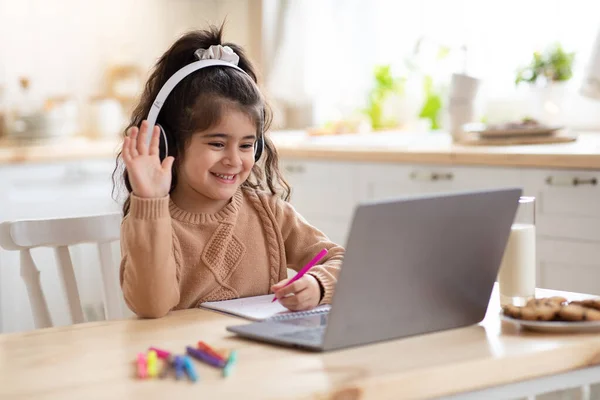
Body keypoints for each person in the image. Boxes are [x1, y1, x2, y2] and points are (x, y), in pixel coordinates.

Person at [113, 24, 344, 318]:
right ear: (170, 144)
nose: (234, 160)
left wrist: (318, 284)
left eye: (247, 146)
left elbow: (340, 258)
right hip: (184, 357)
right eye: (218, 143)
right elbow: (151, 306)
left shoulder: (269, 212)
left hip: (257, 359)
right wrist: (150, 201)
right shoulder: (149, 220)